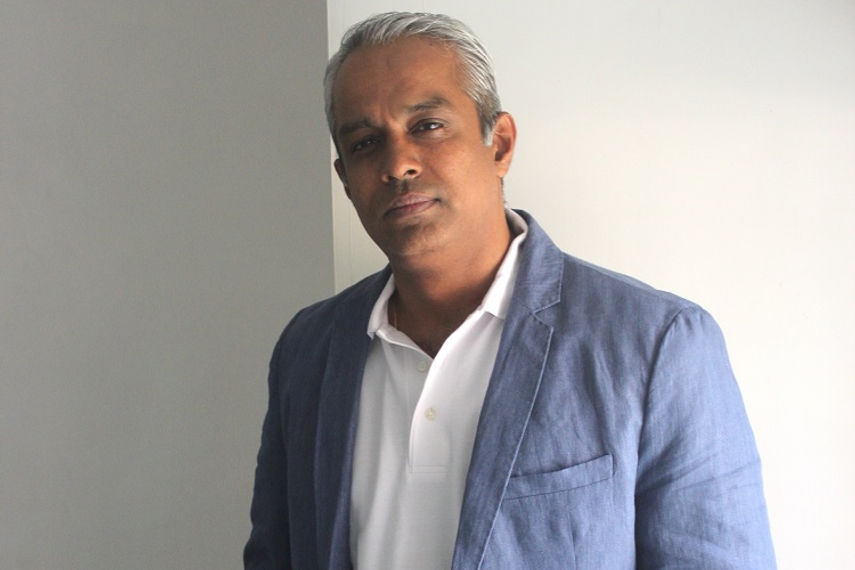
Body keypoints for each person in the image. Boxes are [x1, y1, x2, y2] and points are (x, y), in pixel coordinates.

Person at [244, 11, 776, 570]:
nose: (397, 163)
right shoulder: (308, 349)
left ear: (499, 144)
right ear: (346, 182)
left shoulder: (656, 344)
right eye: (366, 142)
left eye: (427, 125)